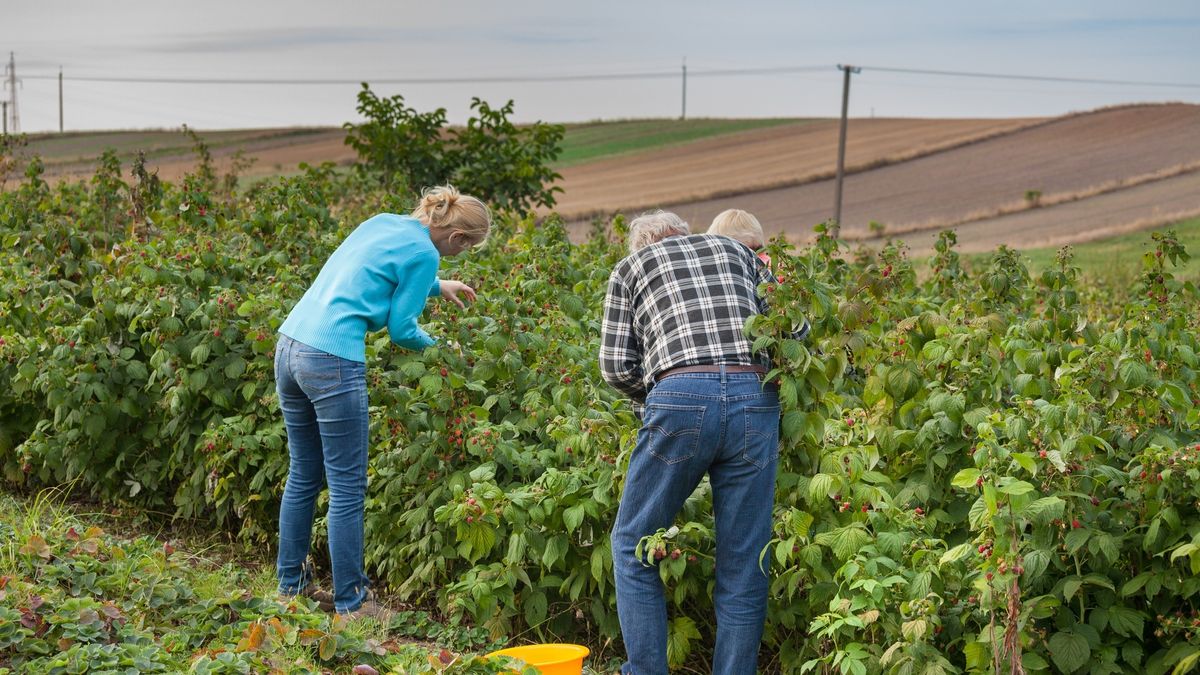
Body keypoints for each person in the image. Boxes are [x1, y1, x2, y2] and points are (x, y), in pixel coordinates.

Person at [600, 210, 804, 675]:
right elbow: (795, 331)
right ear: (688, 235)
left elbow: (615, 367)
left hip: (680, 395)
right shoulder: (736, 251)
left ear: (642, 246)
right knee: (745, 559)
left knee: (633, 543)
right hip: (756, 398)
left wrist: (661, 394)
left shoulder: (631, 268)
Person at [274, 185, 490, 620]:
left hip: (290, 345)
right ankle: (353, 603)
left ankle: (290, 588)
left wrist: (435, 286)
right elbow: (403, 330)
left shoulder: (384, 222)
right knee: (347, 486)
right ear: (457, 238)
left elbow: (370, 272)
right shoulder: (426, 254)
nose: (460, 255)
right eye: (466, 248)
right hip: (331, 358)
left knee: (304, 474)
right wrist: (445, 348)